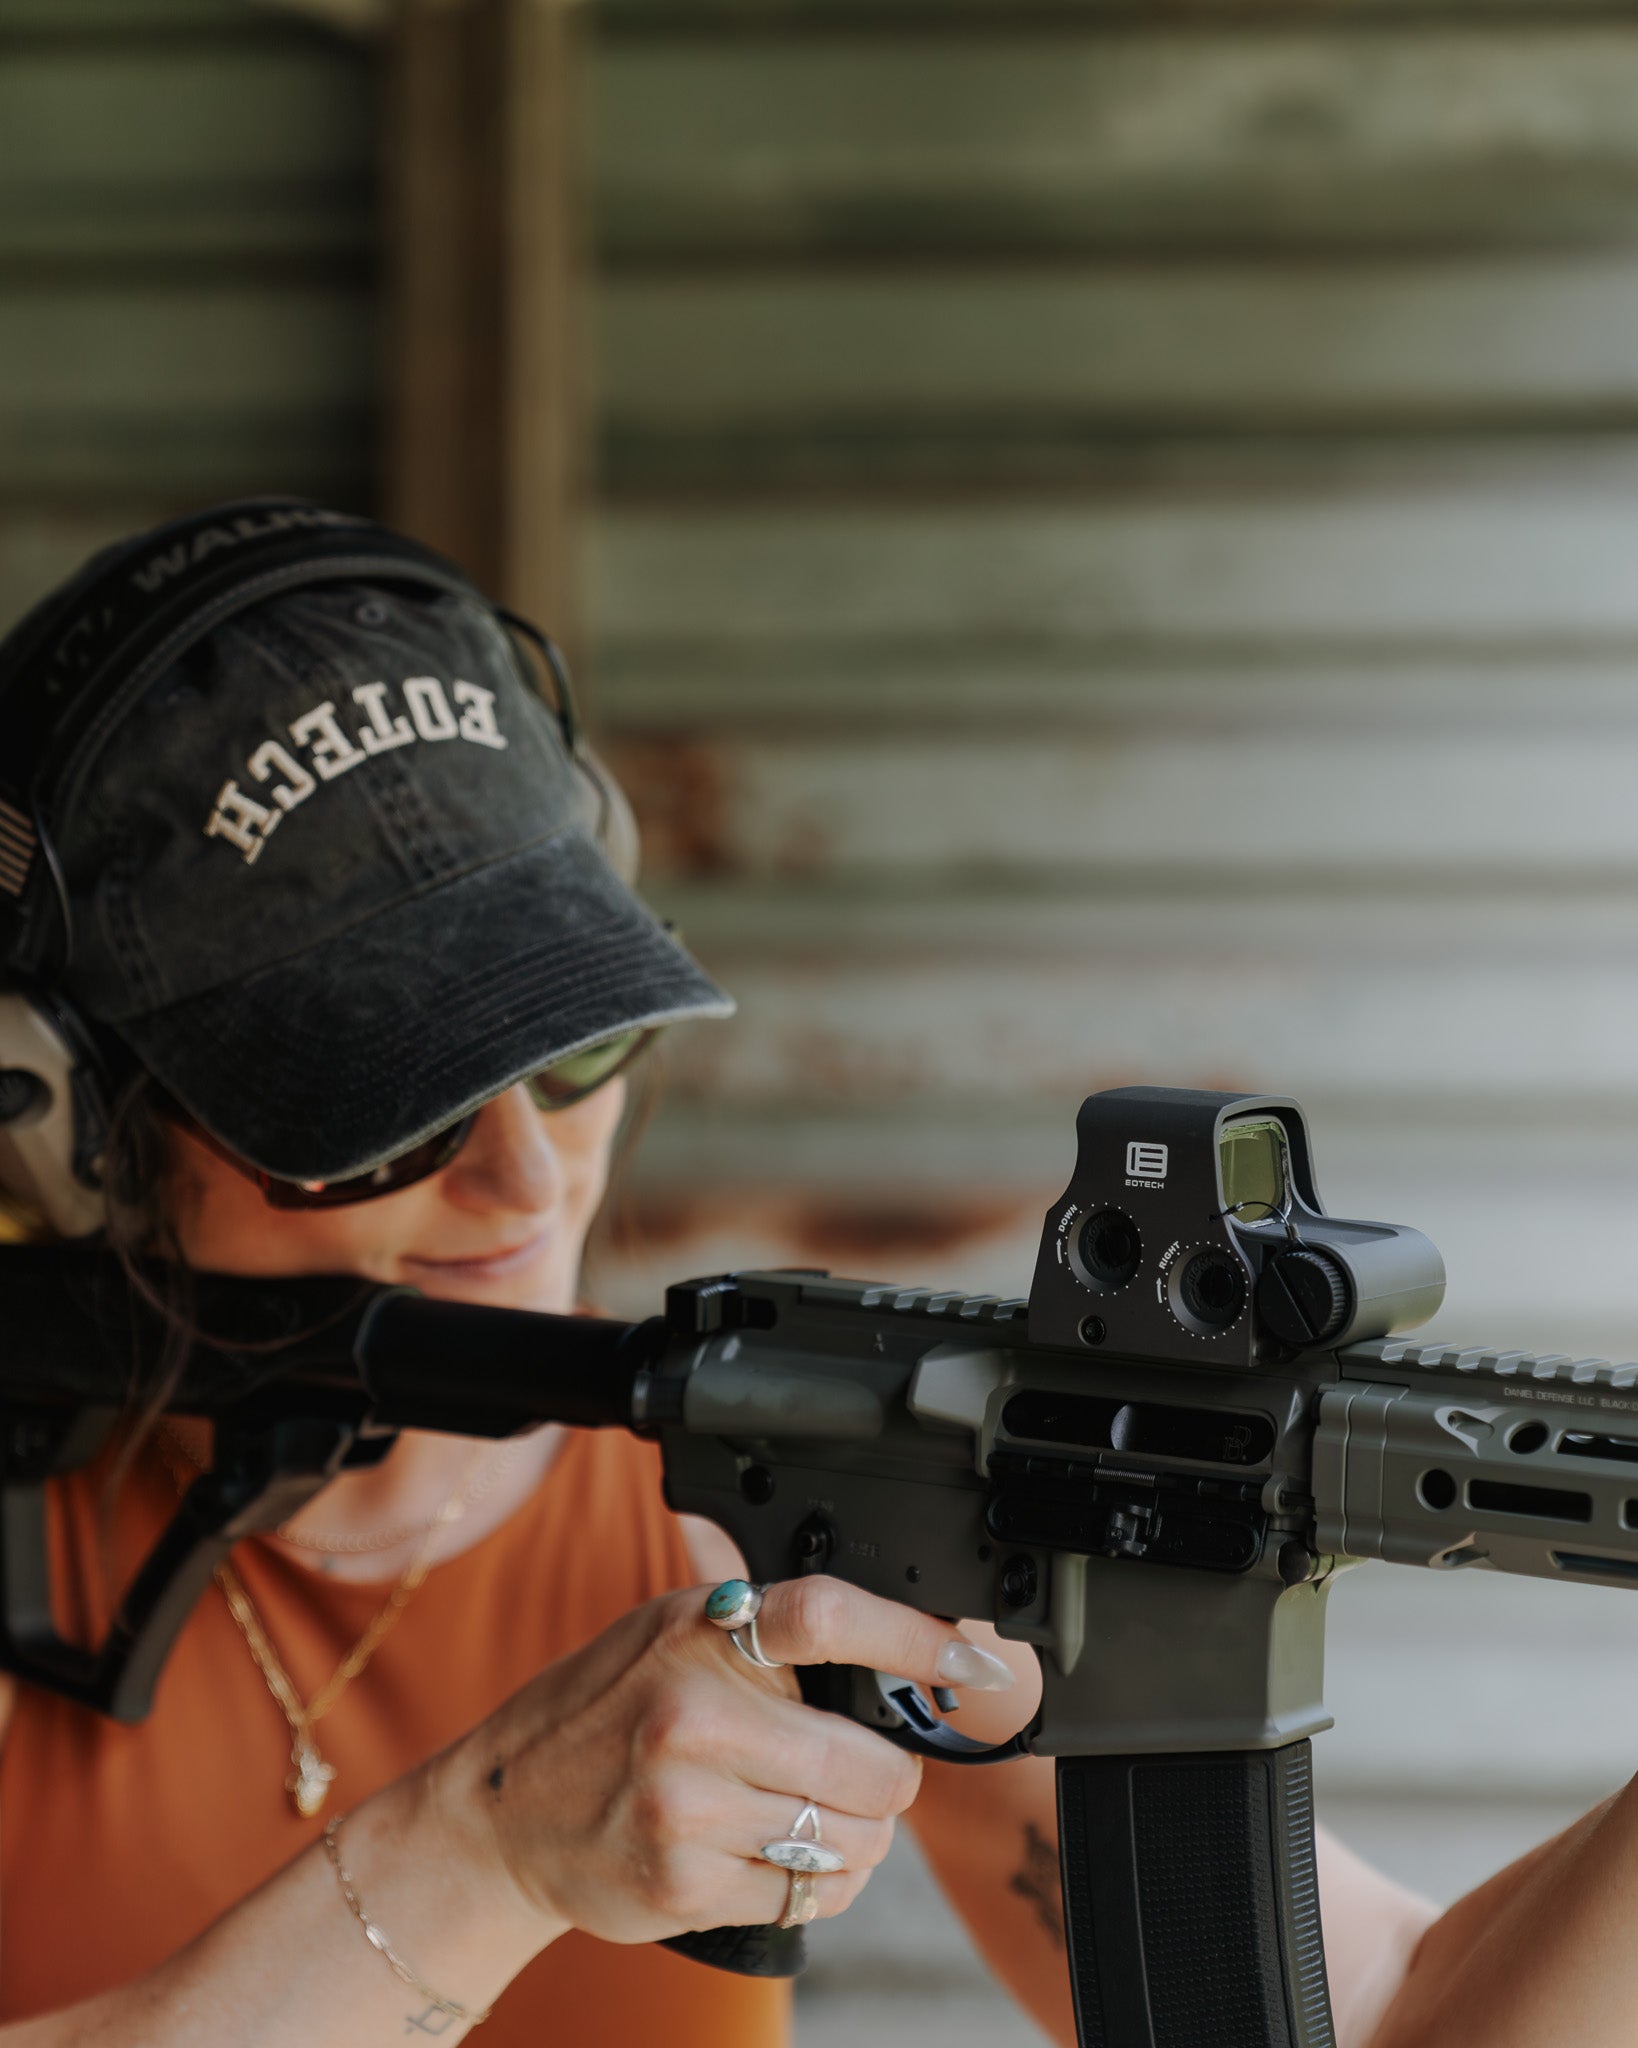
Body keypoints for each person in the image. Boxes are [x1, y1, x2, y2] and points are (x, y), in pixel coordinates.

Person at [0, 501, 1571, 2048]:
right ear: (68, 1131)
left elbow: (1396, 2028)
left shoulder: (766, 1511)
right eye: (383, 1115)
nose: (529, 1181)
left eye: (573, 1050)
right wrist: (484, 1849)